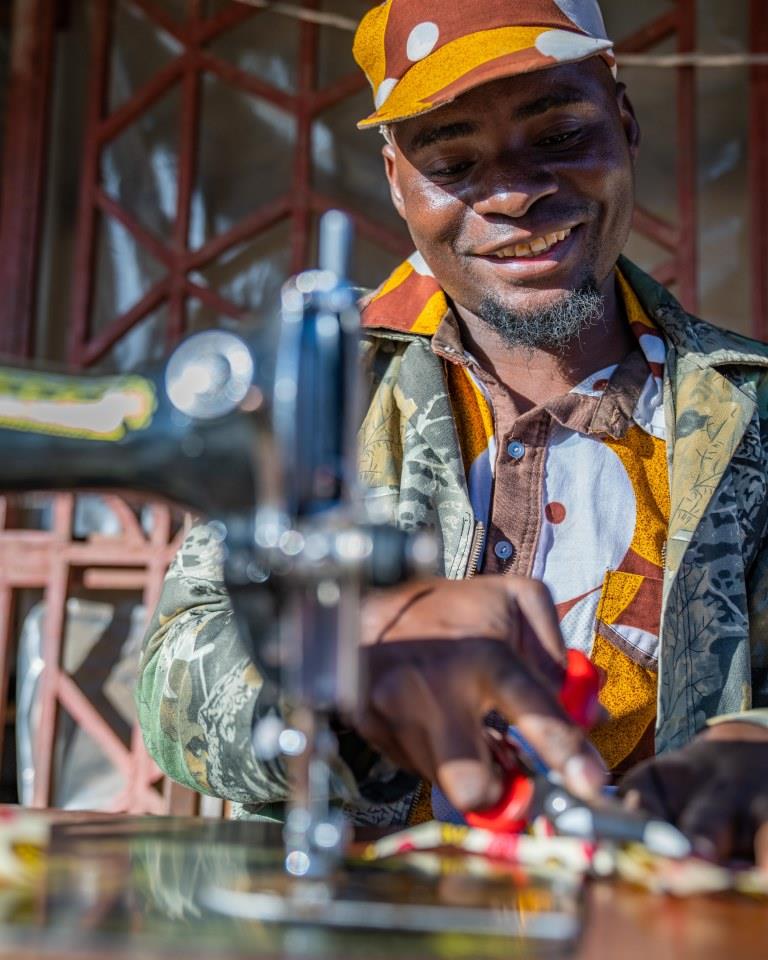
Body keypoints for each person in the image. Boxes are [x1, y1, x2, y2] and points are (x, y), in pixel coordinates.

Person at [137, 0, 768, 864]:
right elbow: (174, 675)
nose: (514, 193)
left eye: (558, 136)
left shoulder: (747, 414)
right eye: (454, 161)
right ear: (397, 181)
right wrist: (346, 682)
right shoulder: (323, 392)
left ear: (624, 121)